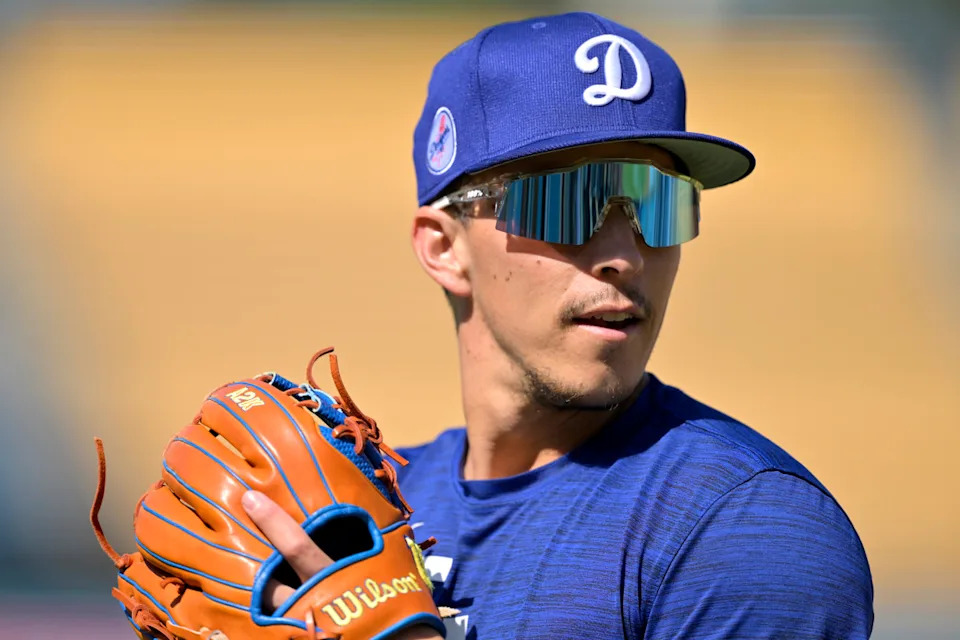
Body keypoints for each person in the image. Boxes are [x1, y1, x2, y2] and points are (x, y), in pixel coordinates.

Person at [241, 12, 874, 639]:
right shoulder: (375, 505)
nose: (624, 255)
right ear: (444, 247)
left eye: (660, 204)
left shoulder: (747, 529)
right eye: (568, 202)